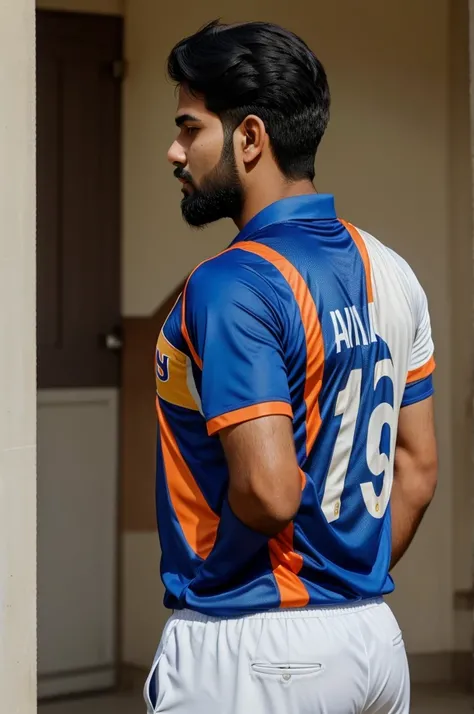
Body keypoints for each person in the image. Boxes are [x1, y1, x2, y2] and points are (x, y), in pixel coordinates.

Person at [145, 19, 438, 714]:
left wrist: (292, 610)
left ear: (249, 138)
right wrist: (343, 588)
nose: (174, 151)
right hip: (372, 638)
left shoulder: (230, 283)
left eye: (190, 128)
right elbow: (418, 472)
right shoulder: (392, 270)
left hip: (249, 648)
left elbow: (270, 492)